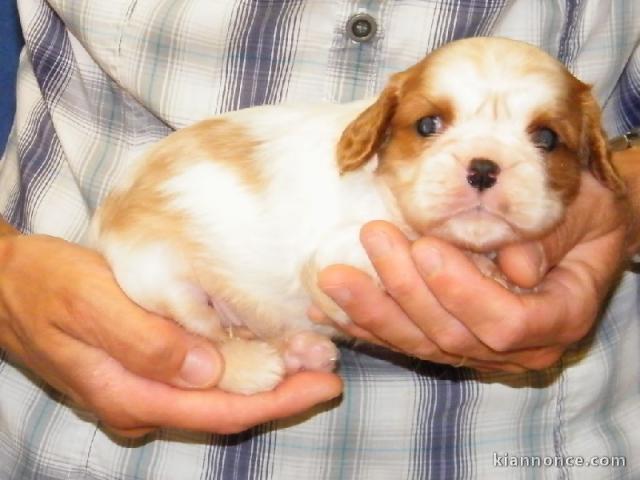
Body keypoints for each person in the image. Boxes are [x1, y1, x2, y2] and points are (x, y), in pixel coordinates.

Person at [0, 0, 638, 478]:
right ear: (378, 131)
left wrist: (622, 205)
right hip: (98, 391)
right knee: (165, 273)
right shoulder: (360, 206)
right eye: (431, 125)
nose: (481, 167)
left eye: (544, 138)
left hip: (545, 447)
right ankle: (223, 348)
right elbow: (337, 277)